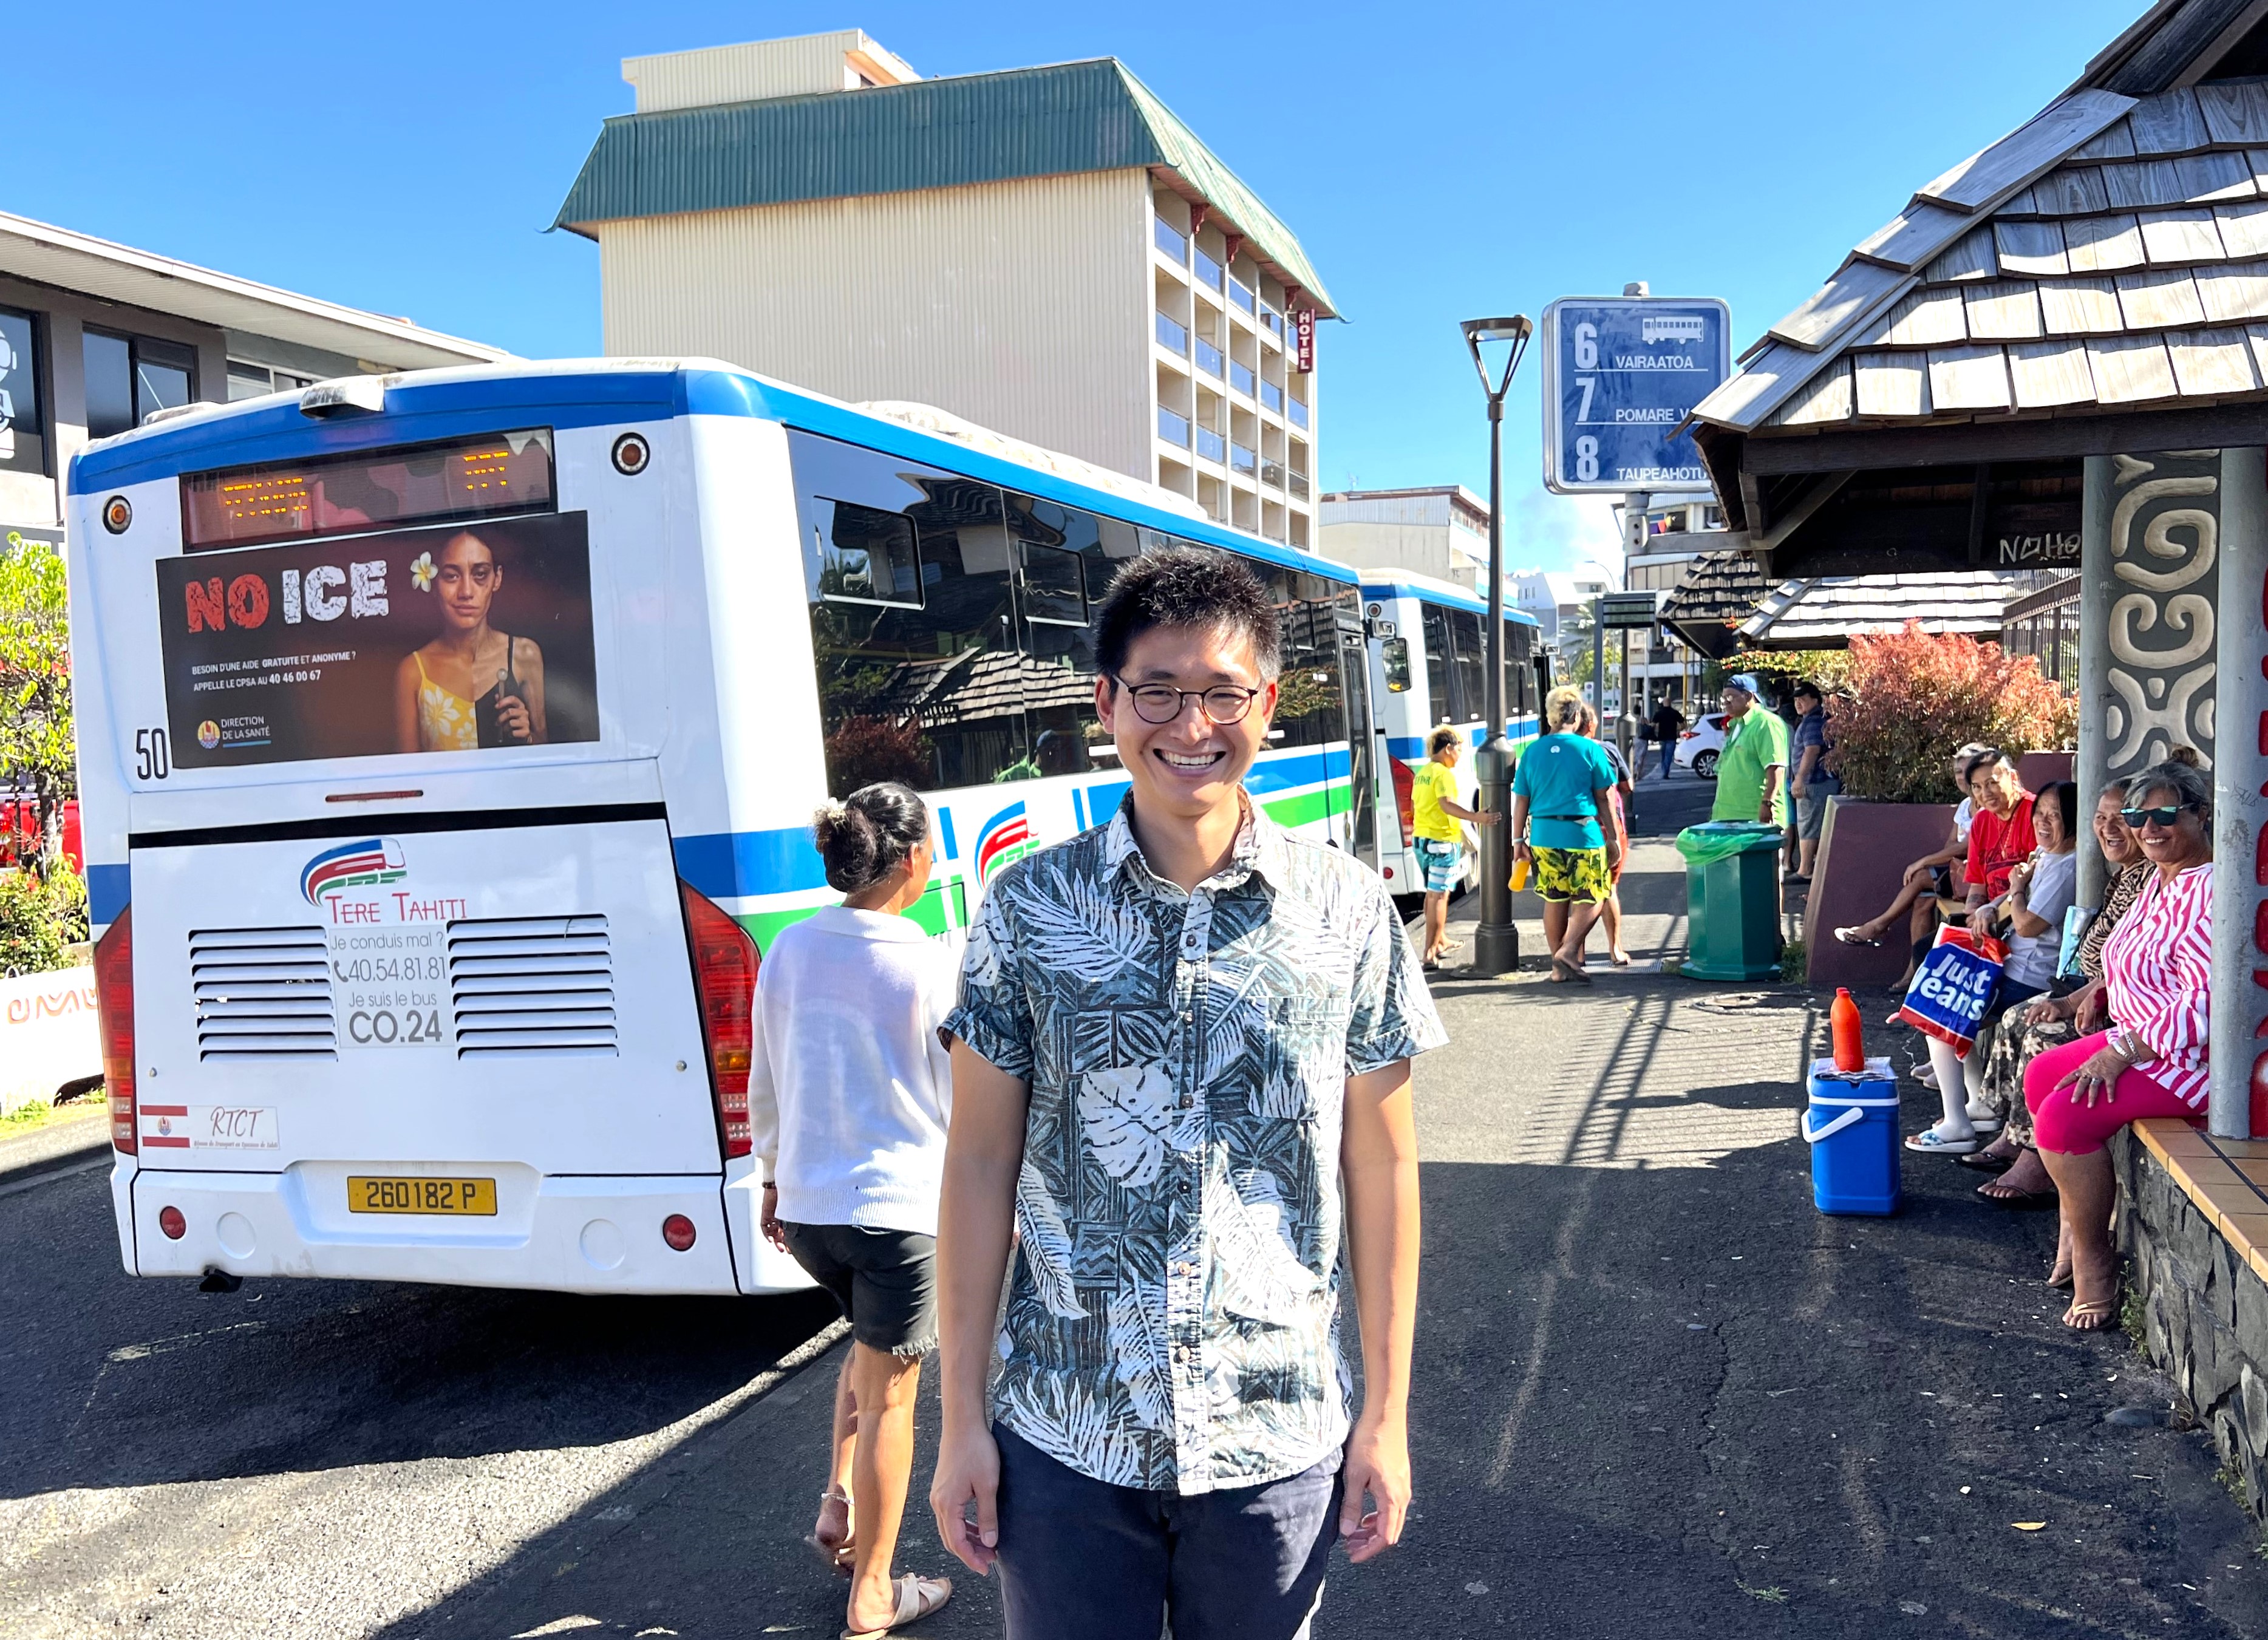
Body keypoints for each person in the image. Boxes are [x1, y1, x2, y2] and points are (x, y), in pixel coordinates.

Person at [927, 548, 1441, 1639]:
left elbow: (1383, 1166)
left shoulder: (1347, 911)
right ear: (1107, 701)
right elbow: (977, 1162)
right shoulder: (1028, 909)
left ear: (1268, 703)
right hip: (1064, 1432)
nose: (1191, 725)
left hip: (1276, 1428)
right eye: (1159, 689)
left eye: (1223, 693)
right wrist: (958, 1420)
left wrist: (1387, 1417)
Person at [749, 783, 956, 1638]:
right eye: (933, 846)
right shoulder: (926, 959)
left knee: (868, 1357)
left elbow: (765, 1077)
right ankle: (874, 1590)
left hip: (807, 1210)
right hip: (897, 1213)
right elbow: (960, 1102)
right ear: (910, 860)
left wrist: (769, 1177)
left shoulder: (789, 949)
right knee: (894, 1402)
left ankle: (838, 1503)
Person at [2029, 756, 2213, 1331]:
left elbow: (2206, 1003)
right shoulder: (2160, 882)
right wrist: (2104, 987)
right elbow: (2138, 955)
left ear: (2201, 815)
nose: (2146, 827)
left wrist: (2121, 1049)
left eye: (2163, 814)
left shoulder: (2209, 889)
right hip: (2137, 1037)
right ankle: (2072, 1218)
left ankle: (2094, 1261)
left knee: (2063, 1117)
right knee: (2039, 1076)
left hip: (2185, 1058)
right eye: (2138, 815)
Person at [1969, 781, 2150, 1206]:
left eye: (2120, 818)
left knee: (2040, 1033)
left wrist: (2076, 999)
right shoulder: (2124, 873)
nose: (2108, 828)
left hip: (2115, 1010)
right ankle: (2012, 1136)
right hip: (2085, 987)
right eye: (2100, 817)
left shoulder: (2150, 878)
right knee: (2017, 1017)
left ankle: (2036, 1160)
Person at [1904, 781, 2077, 1157]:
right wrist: (1988, 906)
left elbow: (2030, 923)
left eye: (2055, 816)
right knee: (1940, 992)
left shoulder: (2067, 867)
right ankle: (1979, 1105)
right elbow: (2015, 891)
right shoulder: (2047, 854)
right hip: (2010, 961)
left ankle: (1958, 1124)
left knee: (1941, 1017)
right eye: (2040, 814)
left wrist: (2014, 890)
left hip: (2029, 976)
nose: (2044, 823)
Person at [1831, 742, 1994, 984]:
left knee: (1920, 877)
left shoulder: (1987, 807)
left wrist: (1922, 862)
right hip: (1957, 873)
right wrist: (1936, 861)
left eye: (1967, 770)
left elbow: (1967, 847)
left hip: (1978, 880)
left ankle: (1878, 926)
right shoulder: (1964, 807)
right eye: (1958, 772)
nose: (1962, 777)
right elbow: (1952, 845)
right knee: (1922, 901)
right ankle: (1914, 973)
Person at [393, 529, 549, 753]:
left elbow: (550, 758)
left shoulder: (524, 654)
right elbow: (407, 776)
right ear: (433, 582)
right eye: (451, 576)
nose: (466, 592)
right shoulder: (413, 672)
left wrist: (528, 738)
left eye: (480, 574)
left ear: (498, 578)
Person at [1511, 687, 1626, 984]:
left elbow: (1521, 800)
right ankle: (1569, 949)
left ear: (1550, 717)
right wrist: (1613, 838)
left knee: (1554, 897)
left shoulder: (1532, 751)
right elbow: (1605, 798)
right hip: (1583, 834)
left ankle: (1558, 968)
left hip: (1543, 835)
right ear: (1576, 715)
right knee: (1595, 894)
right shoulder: (1590, 750)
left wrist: (1517, 842)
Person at [1411, 725, 1498, 971]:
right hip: (1441, 842)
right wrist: (1477, 818)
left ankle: (1440, 940)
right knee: (1440, 897)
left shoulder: (1424, 772)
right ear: (1448, 748)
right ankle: (1430, 952)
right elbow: (1447, 805)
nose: (1461, 753)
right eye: (1460, 748)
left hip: (1422, 840)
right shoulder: (1444, 775)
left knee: (1433, 893)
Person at [1579, 702, 1636, 967]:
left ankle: (1575, 953)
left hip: (1576, 828)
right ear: (1592, 725)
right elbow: (1627, 787)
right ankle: (1615, 949)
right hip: (1610, 827)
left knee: (1576, 891)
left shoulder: (1560, 753)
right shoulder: (1607, 749)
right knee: (1609, 888)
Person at [1709, 674, 1788, 827]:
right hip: (1728, 816)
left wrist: (1767, 804)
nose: (1725, 703)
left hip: (1755, 817)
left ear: (1748, 696)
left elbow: (1776, 768)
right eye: (1723, 699)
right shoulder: (1737, 724)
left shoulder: (1766, 723)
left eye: (1730, 698)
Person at [1788, 681, 1839, 882]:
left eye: (1803, 699)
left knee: (1808, 824)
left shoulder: (1813, 722)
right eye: (1796, 700)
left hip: (1815, 782)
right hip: (1820, 781)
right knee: (1815, 824)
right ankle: (1811, 867)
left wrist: (1799, 779)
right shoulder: (1816, 719)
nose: (1799, 703)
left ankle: (1805, 870)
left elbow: (1812, 750)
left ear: (1816, 700)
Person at [1649, 693, 1686, 780]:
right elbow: (1683, 725)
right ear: (1670, 703)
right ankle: (1666, 772)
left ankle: (1664, 771)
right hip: (1672, 737)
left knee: (1663, 755)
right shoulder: (1675, 713)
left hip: (1662, 737)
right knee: (1669, 756)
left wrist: (1654, 732)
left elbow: (1653, 725)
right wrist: (1678, 730)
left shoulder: (1659, 713)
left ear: (1663, 703)